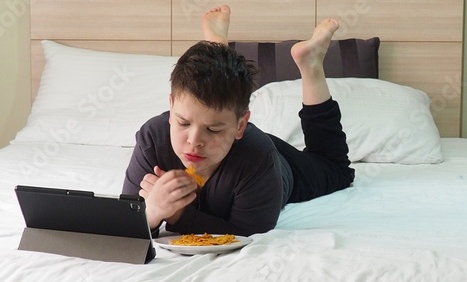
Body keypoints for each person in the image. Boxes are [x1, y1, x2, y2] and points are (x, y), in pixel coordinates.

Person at [122, 5, 355, 236]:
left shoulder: (258, 159)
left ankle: (311, 63)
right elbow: (125, 221)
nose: (194, 141)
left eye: (212, 130)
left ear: (241, 126)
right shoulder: (154, 139)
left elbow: (246, 232)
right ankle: (216, 51)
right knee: (215, 99)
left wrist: (176, 215)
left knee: (337, 170)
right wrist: (152, 212)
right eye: (183, 123)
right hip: (232, 133)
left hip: (277, 162)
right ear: (171, 107)